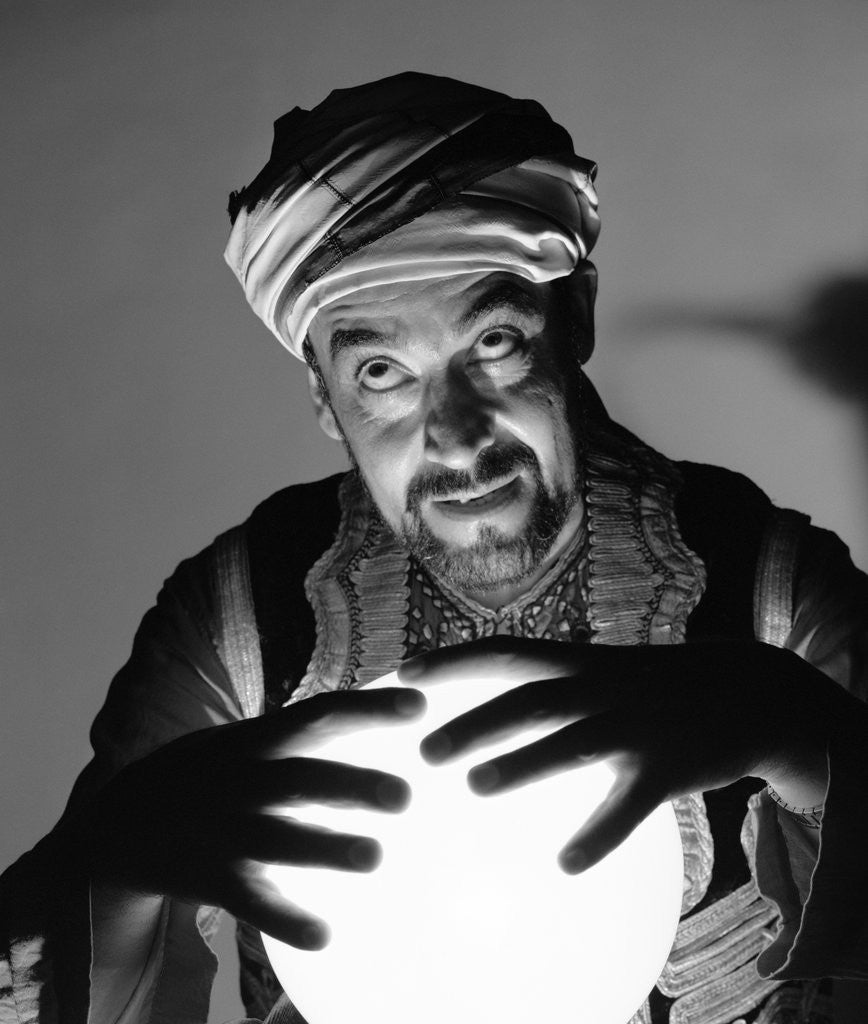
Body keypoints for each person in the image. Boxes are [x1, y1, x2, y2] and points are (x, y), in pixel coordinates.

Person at [2, 72, 867, 1024]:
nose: (454, 434)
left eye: (493, 343)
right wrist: (126, 850)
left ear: (572, 315)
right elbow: (60, 933)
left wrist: (809, 735)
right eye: (382, 373)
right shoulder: (243, 620)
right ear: (325, 399)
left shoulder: (769, 588)